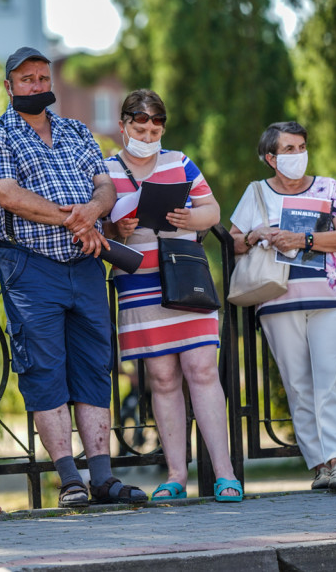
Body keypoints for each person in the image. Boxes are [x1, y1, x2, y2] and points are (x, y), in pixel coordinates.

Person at [0, 46, 147, 507]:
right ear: (9, 86)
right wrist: (76, 221)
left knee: (94, 368)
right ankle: (69, 480)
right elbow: (8, 195)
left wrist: (92, 211)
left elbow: (105, 184)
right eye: (26, 79)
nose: (37, 86)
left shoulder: (77, 130)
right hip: (31, 268)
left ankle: (103, 479)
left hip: (86, 266)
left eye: (43, 78)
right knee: (44, 370)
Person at [103, 89, 242, 502]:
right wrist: (118, 229)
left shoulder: (179, 162)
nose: (148, 133)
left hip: (184, 279)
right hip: (139, 281)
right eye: (140, 126)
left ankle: (225, 473)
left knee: (202, 370)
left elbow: (212, 212)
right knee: (162, 378)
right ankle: (176, 475)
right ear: (124, 124)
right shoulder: (105, 169)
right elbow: (101, 228)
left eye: (155, 126)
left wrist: (189, 216)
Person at [229, 121, 336, 492]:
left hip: (330, 297)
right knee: (298, 384)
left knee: (329, 379)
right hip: (277, 298)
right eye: (288, 149)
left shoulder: (328, 186)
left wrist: (303, 238)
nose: (297, 155)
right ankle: (318, 465)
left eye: (301, 147)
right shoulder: (256, 193)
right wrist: (256, 235)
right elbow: (233, 242)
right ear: (270, 157)